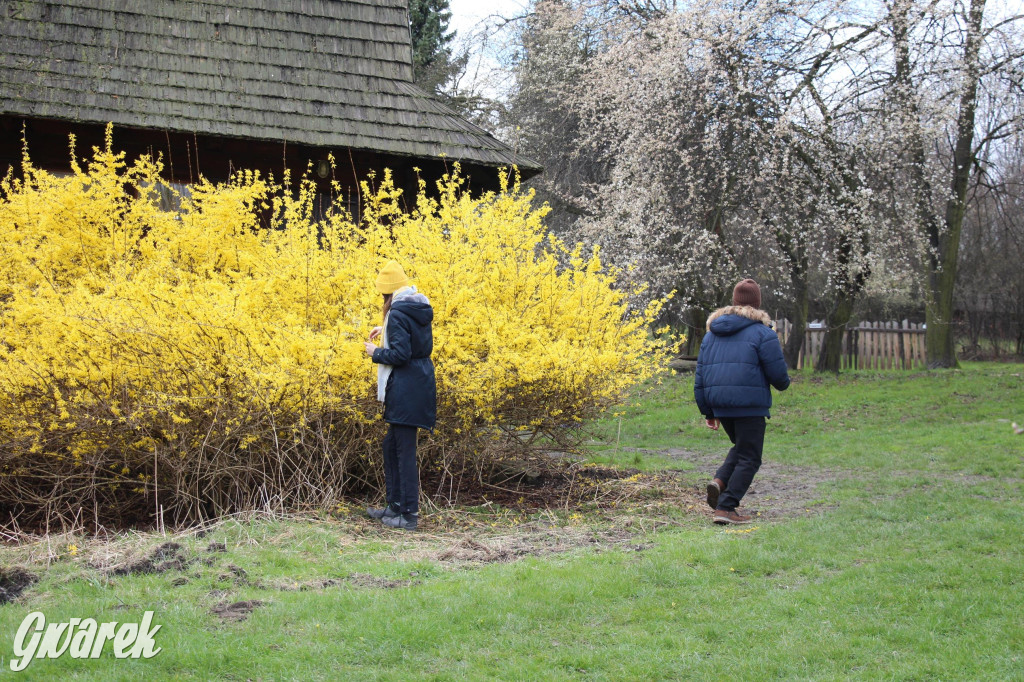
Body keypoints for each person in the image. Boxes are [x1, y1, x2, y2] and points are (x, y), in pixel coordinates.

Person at [694, 278, 790, 525]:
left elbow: (701, 376)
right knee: (750, 456)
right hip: (749, 404)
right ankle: (726, 508)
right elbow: (779, 377)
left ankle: (720, 480)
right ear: (757, 304)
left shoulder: (711, 334)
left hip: (720, 404)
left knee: (742, 448)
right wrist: (783, 383)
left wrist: (708, 411)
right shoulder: (762, 333)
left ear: (734, 302)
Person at [363, 261, 436, 531]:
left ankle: (408, 515)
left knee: (404, 452)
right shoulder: (415, 306)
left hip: (406, 388)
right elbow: (415, 340)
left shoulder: (397, 312)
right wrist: (387, 333)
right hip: (416, 384)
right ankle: (394, 506)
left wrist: (376, 352)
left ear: (388, 292)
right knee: (391, 446)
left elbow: (401, 355)